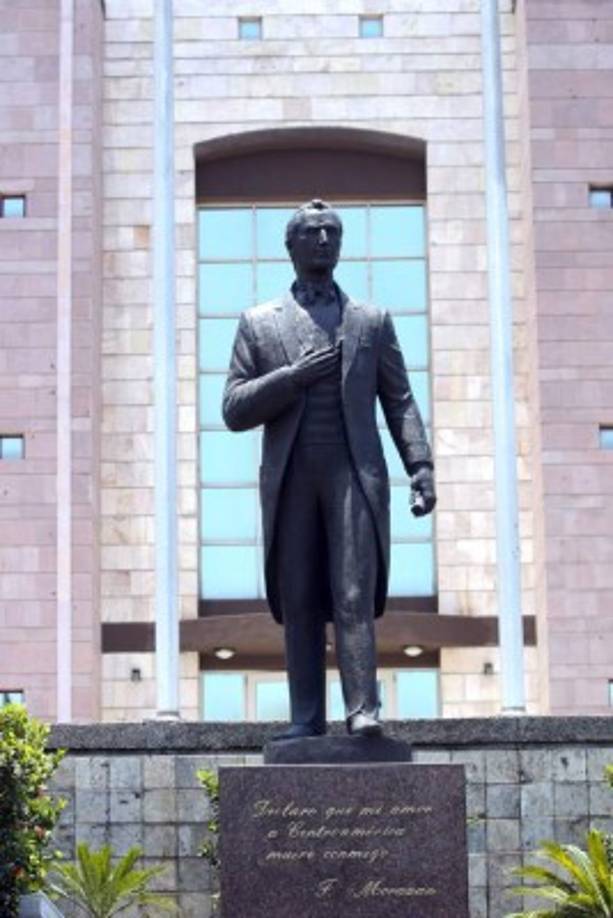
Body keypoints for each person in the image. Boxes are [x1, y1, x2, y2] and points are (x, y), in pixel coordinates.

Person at [222, 199, 436, 738]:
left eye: (332, 233)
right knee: (300, 598)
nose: (323, 240)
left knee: (352, 592)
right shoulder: (258, 323)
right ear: (290, 245)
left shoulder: (371, 320)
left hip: (352, 473)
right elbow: (234, 408)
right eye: (312, 233)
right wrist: (292, 378)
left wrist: (421, 465)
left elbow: (400, 400)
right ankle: (305, 719)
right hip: (293, 476)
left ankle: (363, 710)